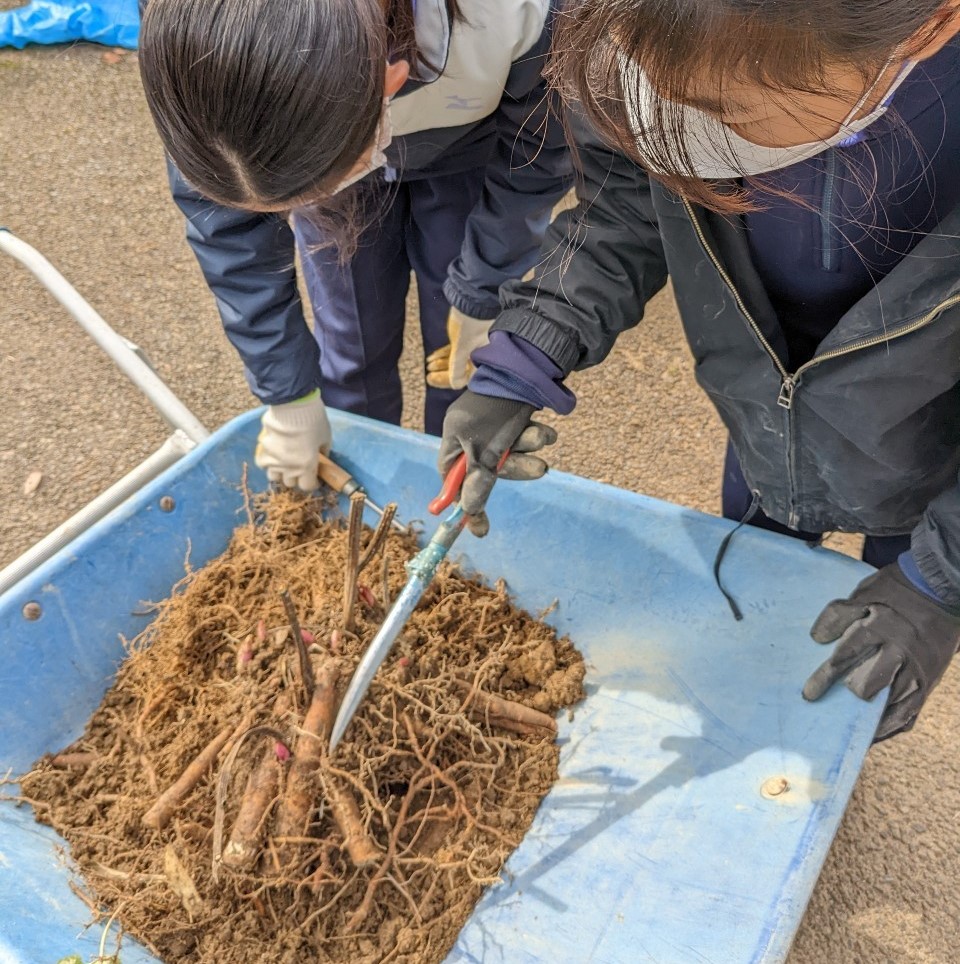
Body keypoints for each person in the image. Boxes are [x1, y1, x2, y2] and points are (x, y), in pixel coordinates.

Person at [438, 0, 960, 741]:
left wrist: (939, 582)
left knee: (874, 635)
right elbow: (625, 197)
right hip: (761, 412)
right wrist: (527, 350)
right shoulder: (671, 50)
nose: (672, 137)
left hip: (930, 452)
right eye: (649, 92)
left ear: (930, 29)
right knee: (750, 578)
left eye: (716, 112)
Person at [137, 0, 571, 490]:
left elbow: (539, 150)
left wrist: (487, 282)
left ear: (391, 83)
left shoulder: (517, 14)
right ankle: (362, 478)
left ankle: (452, 472)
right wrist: (290, 394)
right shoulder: (190, 29)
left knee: (458, 358)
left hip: (472, 140)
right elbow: (225, 222)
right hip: (334, 134)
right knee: (352, 335)